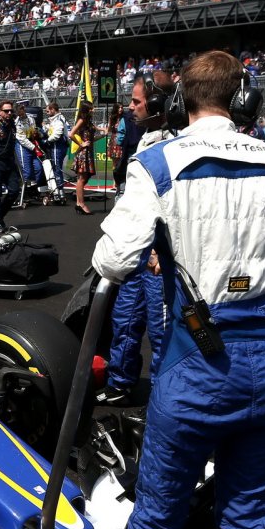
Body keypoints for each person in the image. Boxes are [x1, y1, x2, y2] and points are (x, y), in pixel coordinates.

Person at [94, 50, 265, 529]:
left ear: (176, 101)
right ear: (246, 100)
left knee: (161, 505)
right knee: (255, 514)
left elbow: (112, 261)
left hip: (197, 362)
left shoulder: (159, 162)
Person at [102, 73, 174, 405]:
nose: (130, 106)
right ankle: (120, 383)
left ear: (157, 104)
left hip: (159, 256)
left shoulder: (173, 142)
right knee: (125, 321)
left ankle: (163, 403)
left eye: (136, 101)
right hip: (137, 252)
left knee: (161, 335)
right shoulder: (145, 137)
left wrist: (161, 249)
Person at [0, 99, 20, 233]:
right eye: (6, 111)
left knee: (14, 191)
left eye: (11, 110)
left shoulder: (12, 124)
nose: (9, 113)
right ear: (0, 112)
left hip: (9, 162)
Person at [70, 101, 99, 215]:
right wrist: (81, 143)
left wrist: (102, 134)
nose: (93, 110)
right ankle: (81, 204)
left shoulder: (88, 122)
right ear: (86, 109)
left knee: (84, 179)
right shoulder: (82, 120)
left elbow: (92, 139)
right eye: (91, 108)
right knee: (82, 179)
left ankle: (78, 202)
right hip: (83, 153)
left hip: (88, 152)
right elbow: (71, 134)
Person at [13, 103, 44, 203]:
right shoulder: (16, 122)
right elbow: (21, 139)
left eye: (21, 113)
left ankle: (33, 191)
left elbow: (34, 130)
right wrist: (33, 148)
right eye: (18, 114)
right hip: (22, 146)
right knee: (27, 171)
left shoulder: (31, 119)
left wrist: (36, 134)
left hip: (31, 144)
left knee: (38, 168)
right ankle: (24, 193)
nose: (20, 115)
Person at [42, 101, 70, 203]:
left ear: (53, 110)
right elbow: (52, 130)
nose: (47, 113)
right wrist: (45, 127)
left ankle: (60, 192)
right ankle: (59, 190)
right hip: (58, 146)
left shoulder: (58, 120)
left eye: (48, 111)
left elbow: (57, 134)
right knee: (56, 168)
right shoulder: (57, 119)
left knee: (56, 168)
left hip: (57, 146)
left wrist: (47, 141)